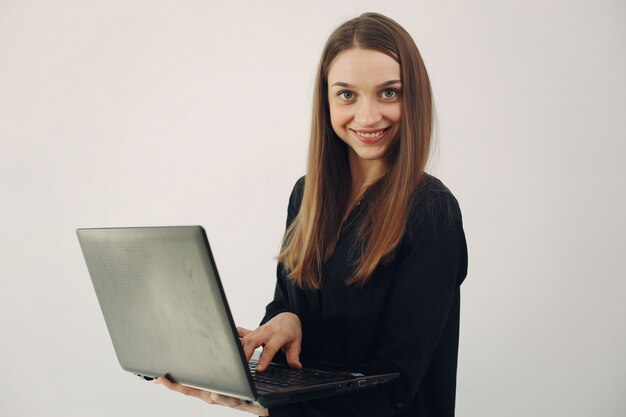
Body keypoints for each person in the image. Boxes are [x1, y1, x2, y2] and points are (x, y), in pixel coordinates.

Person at [156, 12, 468, 417]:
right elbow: (287, 305)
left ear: (414, 97)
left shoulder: (431, 211)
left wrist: (265, 408)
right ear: (327, 100)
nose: (368, 116)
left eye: (389, 93)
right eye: (347, 95)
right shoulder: (307, 194)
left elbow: (395, 389)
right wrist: (285, 320)